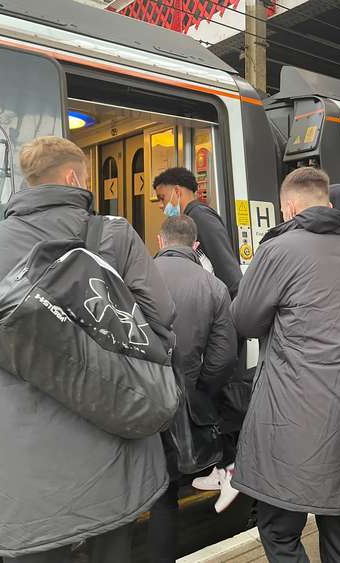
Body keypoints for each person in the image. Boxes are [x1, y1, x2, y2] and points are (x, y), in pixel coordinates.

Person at [0, 136, 176, 563]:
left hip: (17, 483)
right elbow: (160, 326)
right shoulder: (110, 235)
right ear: (73, 177)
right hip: (107, 470)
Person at [230, 167, 340, 562]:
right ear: (329, 203)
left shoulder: (279, 250)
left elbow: (244, 321)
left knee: (279, 531)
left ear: (290, 207)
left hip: (288, 423)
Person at [149, 215, 238, 561]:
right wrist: (197, 392)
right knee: (165, 492)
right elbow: (222, 357)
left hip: (136, 401)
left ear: (160, 242)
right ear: (196, 247)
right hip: (181, 402)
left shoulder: (131, 279)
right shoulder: (213, 287)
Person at [153, 167, 242, 298]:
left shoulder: (200, 216)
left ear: (177, 191)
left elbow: (226, 265)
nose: (160, 205)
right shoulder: (189, 218)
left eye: (162, 198)